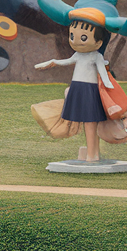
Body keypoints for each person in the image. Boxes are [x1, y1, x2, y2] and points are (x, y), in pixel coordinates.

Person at [36, 12, 114, 162]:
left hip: (89, 91)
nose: (76, 41)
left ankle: (92, 154)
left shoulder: (96, 56)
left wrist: (109, 87)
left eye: (83, 38)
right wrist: (54, 62)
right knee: (88, 123)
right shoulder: (79, 54)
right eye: (72, 36)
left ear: (99, 43)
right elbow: (67, 61)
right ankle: (92, 153)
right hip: (78, 89)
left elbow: (103, 74)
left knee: (91, 123)